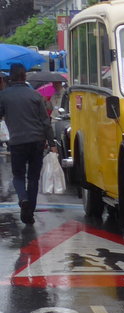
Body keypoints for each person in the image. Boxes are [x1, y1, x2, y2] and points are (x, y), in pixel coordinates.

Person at [0, 64, 56, 224]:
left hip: (17, 141)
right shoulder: (35, 95)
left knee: (18, 175)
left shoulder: (4, 96)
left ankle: (23, 199)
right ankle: (29, 212)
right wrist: (51, 143)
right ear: (25, 77)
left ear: (10, 77)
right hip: (37, 140)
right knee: (33, 177)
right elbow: (45, 121)